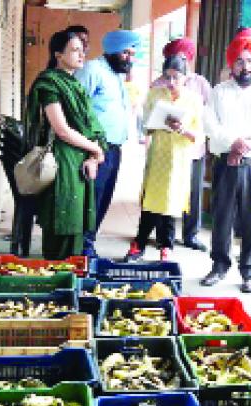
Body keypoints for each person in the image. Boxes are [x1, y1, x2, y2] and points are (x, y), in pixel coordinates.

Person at [201, 28, 251, 293]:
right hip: (225, 161)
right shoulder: (219, 91)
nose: (245, 66)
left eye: (250, 61)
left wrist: (244, 145)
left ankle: (250, 272)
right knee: (222, 216)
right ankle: (219, 266)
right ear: (231, 64)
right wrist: (232, 142)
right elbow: (210, 123)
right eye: (240, 61)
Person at [24, 30, 107, 259]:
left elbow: (90, 125)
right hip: (63, 160)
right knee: (63, 222)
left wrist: (93, 155)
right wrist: (96, 149)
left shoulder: (75, 84)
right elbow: (61, 129)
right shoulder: (50, 83)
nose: (82, 55)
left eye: (83, 50)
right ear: (58, 54)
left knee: (77, 225)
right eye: (74, 50)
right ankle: (56, 278)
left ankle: (71, 277)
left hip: (80, 158)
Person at [123, 55, 204, 262]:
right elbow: (146, 128)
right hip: (158, 155)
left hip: (179, 158)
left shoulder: (194, 100)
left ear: (186, 77)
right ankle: (138, 244)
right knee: (151, 200)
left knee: (171, 202)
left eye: (176, 77)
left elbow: (199, 135)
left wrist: (182, 129)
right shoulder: (154, 95)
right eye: (167, 77)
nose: (171, 83)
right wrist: (158, 122)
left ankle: (166, 246)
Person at [74, 29, 140, 257]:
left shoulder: (115, 74)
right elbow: (77, 110)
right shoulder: (93, 70)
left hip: (113, 148)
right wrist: (90, 150)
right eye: (125, 53)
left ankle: (89, 242)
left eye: (132, 54)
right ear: (112, 50)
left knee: (103, 199)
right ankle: (81, 247)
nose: (130, 59)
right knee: (91, 199)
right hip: (94, 150)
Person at [150, 37, 212, 252]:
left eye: (184, 57)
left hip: (193, 147)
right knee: (164, 190)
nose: (179, 60)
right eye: (175, 56)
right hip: (166, 150)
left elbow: (207, 114)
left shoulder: (201, 83)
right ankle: (164, 236)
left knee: (192, 193)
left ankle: (191, 235)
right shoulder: (159, 84)